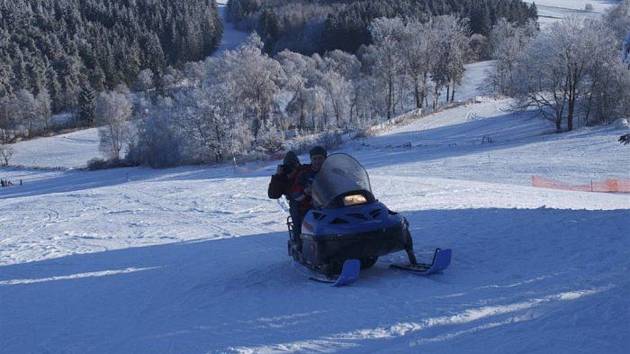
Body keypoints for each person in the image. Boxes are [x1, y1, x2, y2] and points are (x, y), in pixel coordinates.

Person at [291, 146, 328, 226]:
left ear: (325, 158)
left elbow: (345, 181)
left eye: (320, 158)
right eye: (315, 159)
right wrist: (305, 191)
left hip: (333, 203)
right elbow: (296, 192)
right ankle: (299, 236)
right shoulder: (304, 173)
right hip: (310, 206)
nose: (317, 161)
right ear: (311, 159)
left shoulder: (332, 170)